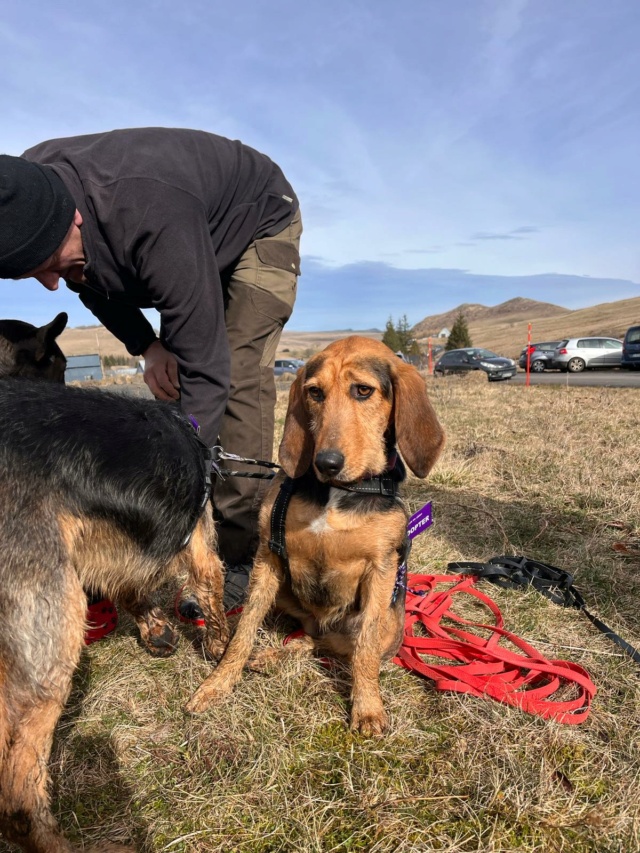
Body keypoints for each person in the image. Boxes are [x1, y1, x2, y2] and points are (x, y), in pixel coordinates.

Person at [0, 128, 302, 612]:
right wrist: (148, 345)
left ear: (73, 216)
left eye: (53, 264)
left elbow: (208, 370)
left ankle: (236, 552)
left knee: (235, 373)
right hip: (181, 231)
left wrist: (173, 508)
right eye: (34, 273)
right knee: (175, 382)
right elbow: (88, 282)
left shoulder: (151, 217)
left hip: (256, 220)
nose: (53, 285)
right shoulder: (24, 189)